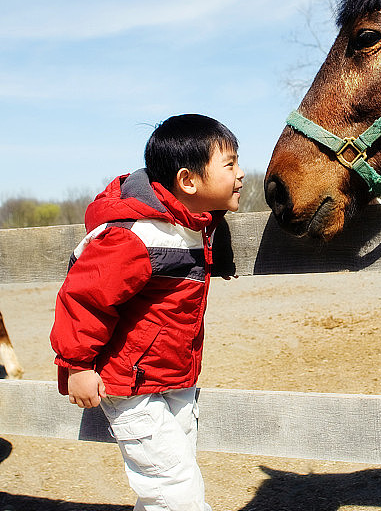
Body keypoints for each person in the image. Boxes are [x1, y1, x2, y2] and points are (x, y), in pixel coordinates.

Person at [50, 114, 244, 510]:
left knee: (170, 481)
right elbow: (85, 297)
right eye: (230, 165)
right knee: (177, 488)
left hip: (173, 376)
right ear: (188, 182)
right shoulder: (136, 235)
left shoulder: (194, 223)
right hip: (130, 384)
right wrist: (76, 366)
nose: (241, 174)